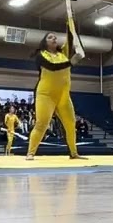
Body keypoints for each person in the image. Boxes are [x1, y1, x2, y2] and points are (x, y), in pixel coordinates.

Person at [27, 26, 83, 161]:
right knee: (42, 124)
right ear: (44, 42)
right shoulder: (41, 55)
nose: (54, 39)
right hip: (45, 95)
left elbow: (71, 37)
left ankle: (74, 153)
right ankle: (31, 153)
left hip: (63, 96)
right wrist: (70, 63)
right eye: (50, 37)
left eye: (55, 37)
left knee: (71, 124)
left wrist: (70, 21)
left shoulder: (63, 53)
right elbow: (52, 68)